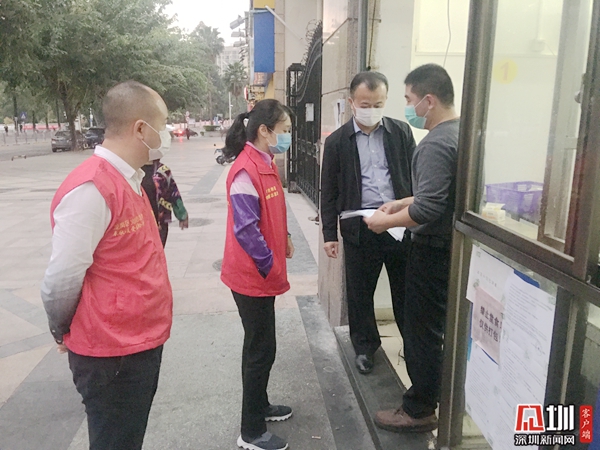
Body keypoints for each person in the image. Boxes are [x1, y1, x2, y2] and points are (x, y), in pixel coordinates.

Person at [41, 80, 174, 450]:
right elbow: (61, 278)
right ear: (140, 129)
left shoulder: (131, 179)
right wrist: (61, 329)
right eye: (162, 126)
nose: (165, 134)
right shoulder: (91, 188)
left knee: (127, 438)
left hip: (137, 344)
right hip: (111, 355)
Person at [364, 64, 460, 433]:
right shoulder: (462, 133)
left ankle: (418, 409)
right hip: (453, 248)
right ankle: (438, 397)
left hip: (433, 251)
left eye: (408, 99)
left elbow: (429, 209)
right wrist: (403, 202)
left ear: (428, 100)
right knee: (438, 329)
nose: (407, 107)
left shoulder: (435, 143)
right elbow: (438, 195)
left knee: (421, 332)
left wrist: (385, 222)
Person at [320, 71, 416, 374]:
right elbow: (328, 192)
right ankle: (364, 347)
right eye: (365, 104)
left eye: (378, 104)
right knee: (360, 293)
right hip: (360, 229)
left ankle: (413, 346)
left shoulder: (400, 132)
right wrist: (329, 234)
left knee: (407, 291)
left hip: (399, 224)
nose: (371, 110)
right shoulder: (337, 142)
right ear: (351, 102)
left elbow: (415, 178)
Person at [221, 99, 295, 450]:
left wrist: (287, 237)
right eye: (285, 130)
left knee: (262, 345)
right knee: (259, 350)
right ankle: (251, 431)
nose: (288, 137)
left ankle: (261, 405)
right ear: (265, 131)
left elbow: (273, 209)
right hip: (252, 277)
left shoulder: (266, 163)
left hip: (262, 274)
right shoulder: (245, 171)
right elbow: (247, 229)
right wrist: (269, 265)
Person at [142, 157, 189, 247]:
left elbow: (173, 193)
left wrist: (182, 214)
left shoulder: (163, 170)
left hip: (160, 224)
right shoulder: (132, 171)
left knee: (157, 251)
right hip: (140, 223)